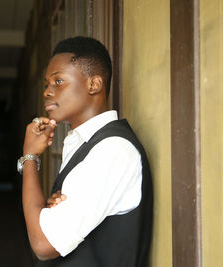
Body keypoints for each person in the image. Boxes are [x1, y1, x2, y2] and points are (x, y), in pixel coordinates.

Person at [18, 36, 153, 266]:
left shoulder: (112, 149)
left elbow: (43, 244)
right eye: (46, 84)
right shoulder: (83, 142)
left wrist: (30, 157)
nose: (47, 93)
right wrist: (50, 213)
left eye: (58, 82)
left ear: (94, 84)